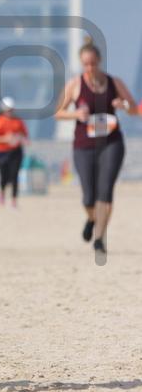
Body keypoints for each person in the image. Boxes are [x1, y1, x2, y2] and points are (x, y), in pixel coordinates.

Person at [55, 39, 138, 261]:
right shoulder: (75, 85)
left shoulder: (114, 82)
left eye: (93, 63)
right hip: (84, 145)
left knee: (105, 191)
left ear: (99, 61)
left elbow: (134, 109)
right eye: (86, 64)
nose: (90, 68)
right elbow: (58, 112)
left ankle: (100, 238)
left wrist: (123, 105)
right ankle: (92, 218)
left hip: (111, 143)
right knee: (88, 197)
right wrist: (76, 114)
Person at [0, 97, 28, 206]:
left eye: (11, 110)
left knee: (14, 175)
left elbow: (25, 136)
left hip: (16, 151)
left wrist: (19, 139)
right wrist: (6, 139)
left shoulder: (18, 121)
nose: (10, 112)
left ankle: (14, 200)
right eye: (8, 110)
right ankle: (2, 194)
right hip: (1, 152)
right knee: (4, 175)